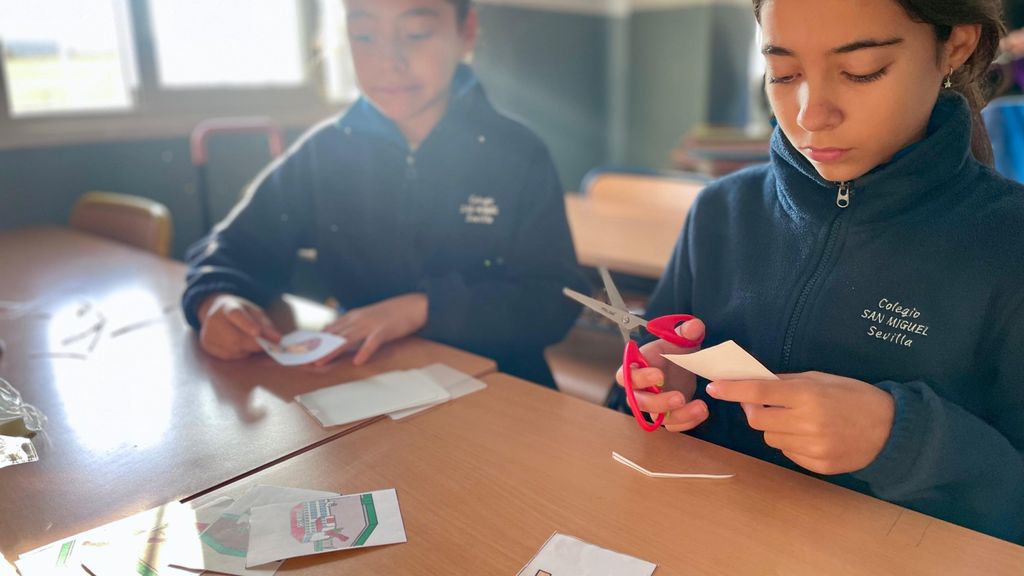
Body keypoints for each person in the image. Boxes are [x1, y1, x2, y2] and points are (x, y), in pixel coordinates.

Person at [614, 0, 1024, 543]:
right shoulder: (722, 210)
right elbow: (633, 400)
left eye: (861, 71)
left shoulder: (1007, 244)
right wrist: (660, 389)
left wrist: (902, 440)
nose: (810, 114)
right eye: (783, 73)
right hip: (704, 541)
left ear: (955, 45)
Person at [182, 0, 586, 387]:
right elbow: (232, 247)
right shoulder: (325, 151)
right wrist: (216, 300)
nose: (388, 61)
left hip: (503, 387)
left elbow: (553, 299)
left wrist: (422, 309)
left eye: (416, 33)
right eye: (364, 36)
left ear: (467, 32)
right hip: (363, 380)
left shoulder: (517, 153)